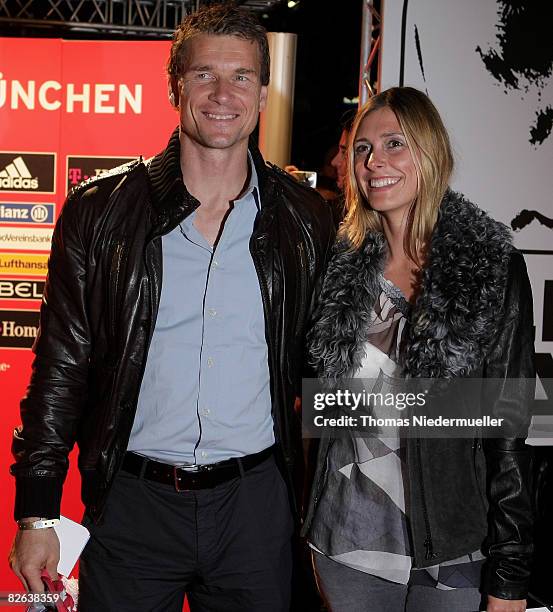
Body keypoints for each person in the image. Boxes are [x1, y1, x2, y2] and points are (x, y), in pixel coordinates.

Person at [9, 5, 334, 611]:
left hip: (256, 507)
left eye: (241, 77)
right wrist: (36, 511)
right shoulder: (99, 212)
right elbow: (61, 369)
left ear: (263, 93)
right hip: (134, 506)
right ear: (174, 85)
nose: (222, 94)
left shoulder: (307, 219)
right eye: (204, 74)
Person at [302, 87, 534, 612]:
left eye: (394, 144)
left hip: (452, 547)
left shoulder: (491, 268)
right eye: (361, 148)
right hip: (346, 543)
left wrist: (511, 573)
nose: (374, 161)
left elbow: (512, 426)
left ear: (430, 154)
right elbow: (315, 402)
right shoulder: (336, 261)